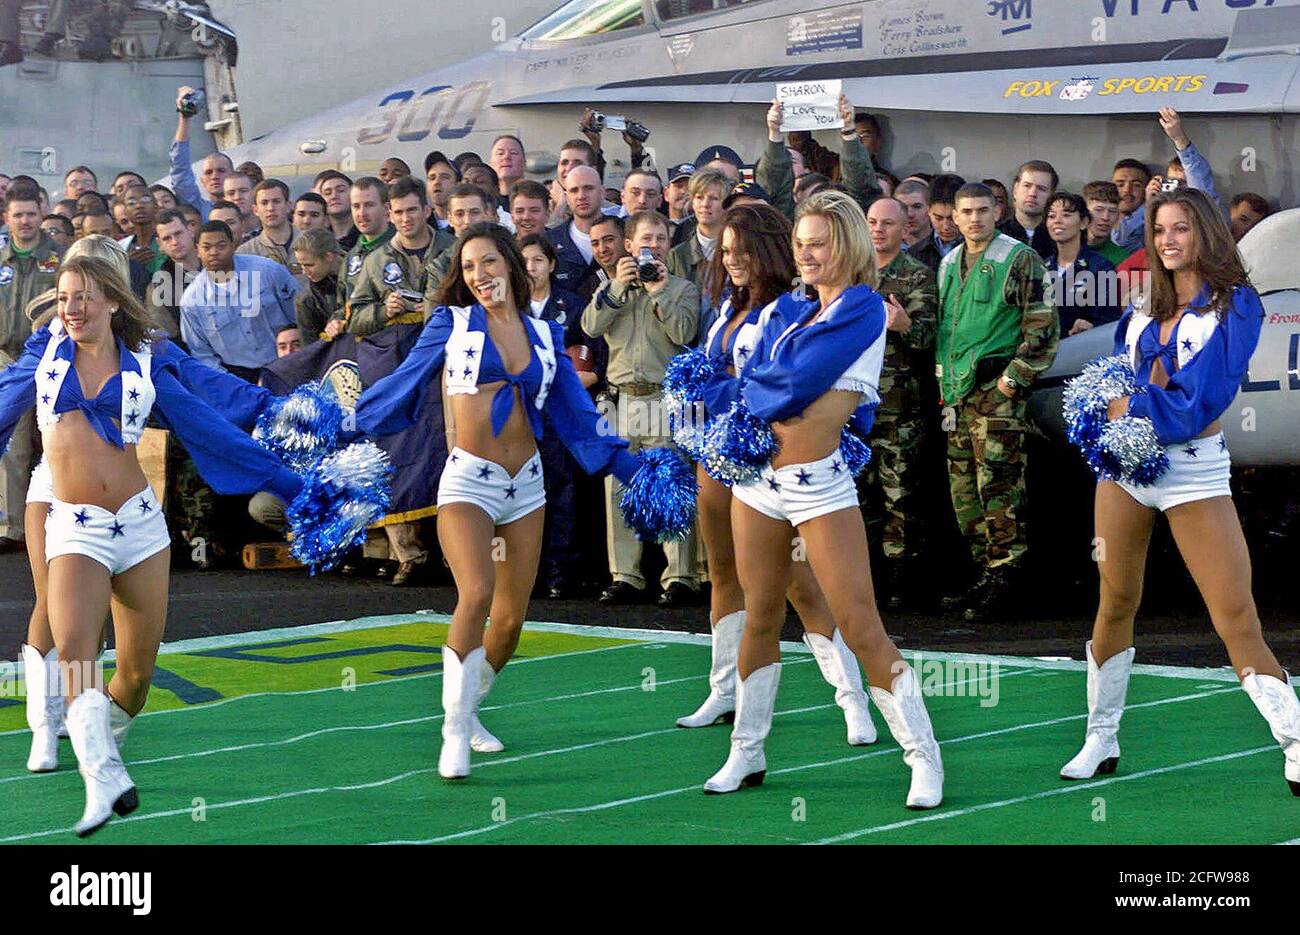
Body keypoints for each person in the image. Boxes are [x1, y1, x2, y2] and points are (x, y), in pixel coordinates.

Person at [0, 253, 358, 835]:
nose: (73, 308)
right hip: (73, 525)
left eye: (85, 296)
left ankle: (105, 744)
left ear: (114, 302)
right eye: (65, 297)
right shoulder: (42, 358)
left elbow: (212, 410)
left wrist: (288, 443)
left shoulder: (148, 357)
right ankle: (100, 776)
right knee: (76, 653)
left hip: (140, 528)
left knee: (136, 682)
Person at [354, 222, 643, 778]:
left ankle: (469, 707)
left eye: (488, 263)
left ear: (510, 264)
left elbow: (577, 419)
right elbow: (405, 382)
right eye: (468, 268)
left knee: (509, 623)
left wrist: (633, 469)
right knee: (477, 592)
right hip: (468, 480)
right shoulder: (453, 322)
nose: (480, 276)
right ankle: (454, 730)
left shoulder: (543, 336)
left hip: (526, 485)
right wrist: (349, 423)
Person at [702, 191, 944, 807]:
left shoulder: (863, 309)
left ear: (848, 247)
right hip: (759, 483)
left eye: (819, 244)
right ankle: (747, 753)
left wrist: (735, 398)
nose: (805, 256)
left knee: (861, 626)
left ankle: (923, 758)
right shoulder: (799, 310)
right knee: (760, 614)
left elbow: (792, 384)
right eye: (800, 244)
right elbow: (758, 375)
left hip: (820, 485)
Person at [1060, 187, 1300, 797]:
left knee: (1235, 617)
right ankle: (1101, 736)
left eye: (1181, 230)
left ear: (1205, 235)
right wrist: (1110, 407)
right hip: (1125, 470)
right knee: (1115, 601)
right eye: (1160, 230)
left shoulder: (1236, 304)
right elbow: (1114, 373)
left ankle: (1295, 741)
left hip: (1191, 472)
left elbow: (1203, 398)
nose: (1167, 241)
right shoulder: (1143, 305)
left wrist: (1127, 404)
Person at [677, 201, 877, 745]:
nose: (732, 260)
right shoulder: (725, 307)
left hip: (773, 456)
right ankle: (724, 691)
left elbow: (790, 382)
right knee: (723, 575)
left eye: (742, 250)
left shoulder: (794, 308)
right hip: (719, 454)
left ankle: (851, 698)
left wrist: (718, 395)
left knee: (802, 587)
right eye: (725, 251)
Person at [936, 183, 1059, 622]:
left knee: (1000, 489)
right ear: (953, 215)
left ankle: (1009, 579)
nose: (974, 219)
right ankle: (986, 574)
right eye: (965, 211)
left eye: (982, 210)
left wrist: (1011, 382)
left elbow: (1042, 326)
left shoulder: (1017, 257)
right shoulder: (949, 262)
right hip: (956, 396)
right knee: (964, 492)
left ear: (996, 211)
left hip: (995, 395)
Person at [582, 210, 701, 607]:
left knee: (671, 482)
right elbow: (590, 327)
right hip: (621, 399)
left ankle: (680, 576)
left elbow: (684, 333)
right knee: (618, 488)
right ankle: (626, 575)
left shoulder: (682, 287)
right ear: (629, 245)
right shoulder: (609, 288)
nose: (655, 246)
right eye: (646, 239)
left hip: (664, 397)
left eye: (662, 239)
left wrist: (659, 292)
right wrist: (618, 285)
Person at [861, 196, 938, 608]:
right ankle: (863, 576)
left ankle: (902, 579)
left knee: (900, 498)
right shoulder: (850, 273)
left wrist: (906, 325)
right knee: (858, 497)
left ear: (904, 227)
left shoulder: (917, 277)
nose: (878, 229)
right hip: (852, 408)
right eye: (872, 222)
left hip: (898, 409)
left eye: (887, 223)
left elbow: (930, 341)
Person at [519, 233, 600, 597]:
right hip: (521, 413)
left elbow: (594, 359)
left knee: (563, 490)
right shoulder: (509, 309)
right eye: (524, 262)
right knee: (525, 491)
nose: (531, 268)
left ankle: (560, 571)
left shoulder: (574, 304)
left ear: (552, 264)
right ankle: (528, 570)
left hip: (562, 412)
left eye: (538, 260)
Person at [0, 185, 64, 553]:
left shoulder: (59, 255)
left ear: (43, 213)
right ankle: (11, 527)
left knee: (54, 440)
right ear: (7, 218)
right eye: (17, 214)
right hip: (5, 358)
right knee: (13, 442)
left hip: (48, 356)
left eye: (31, 213)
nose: (25, 221)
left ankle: (55, 521)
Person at [180, 220, 299, 381]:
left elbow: (298, 315)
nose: (214, 252)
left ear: (233, 245)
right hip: (239, 376)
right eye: (206, 247)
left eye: (221, 246)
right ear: (197, 251)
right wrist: (231, 385)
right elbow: (202, 353)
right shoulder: (192, 301)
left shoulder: (268, 271)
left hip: (287, 363)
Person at [757, 95, 882, 222]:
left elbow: (862, 190)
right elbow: (775, 196)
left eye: (830, 204)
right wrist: (775, 133)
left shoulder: (849, 226)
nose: (819, 209)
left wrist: (849, 130)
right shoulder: (792, 230)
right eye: (808, 203)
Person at [1111, 109, 1219, 253]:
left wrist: (1179, 138)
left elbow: (1199, 178)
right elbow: (1122, 240)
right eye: (1173, 182)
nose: (1178, 189)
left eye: (1183, 183)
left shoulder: (1207, 214)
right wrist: (1148, 206)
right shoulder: (1156, 216)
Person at [1044, 192, 1122, 337]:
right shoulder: (1041, 266)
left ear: (1084, 222)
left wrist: (1090, 327)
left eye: (1066, 215)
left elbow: (1109, 321)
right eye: (1051, 216)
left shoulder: (1100, 267)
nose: (1057, 221)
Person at [169, 86, 233, 220]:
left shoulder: (247, 208)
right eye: (209, 172)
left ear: (233, 176)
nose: (215, 176)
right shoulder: (199, 210)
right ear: (202, 181)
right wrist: (184, 117)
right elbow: (180, 173)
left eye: (221, 170)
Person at [337, 177, 394, 321]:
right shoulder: (351, 257)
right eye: (356, 206)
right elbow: (342, 307)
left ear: (386, 209)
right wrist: (335, 320)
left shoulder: (400, 248)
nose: (362, 214)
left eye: (369, 205)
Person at [667, 168, 728, 299]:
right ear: (692, 202)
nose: (705, 204)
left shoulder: (739, 250)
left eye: (714, 198)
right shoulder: (676, 256)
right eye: (699, 197)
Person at [545, 165, 604, 300]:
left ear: (602, 192)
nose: (581, 196)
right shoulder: (550, 241)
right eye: (574, 190)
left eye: (588, 188)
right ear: (566, 197)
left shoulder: (622, 234)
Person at [238, 179, 304, 286]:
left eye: (276, 201)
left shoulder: (313, 242)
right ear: (255, 210)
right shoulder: (245, 254)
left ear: (289, 206)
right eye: (264, 203)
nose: (270, 208)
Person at [149, 209, 202, 339]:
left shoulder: (217, 260)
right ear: (159, 244)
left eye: (178, 233)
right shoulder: (159, 286)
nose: (175, 242)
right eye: (167, 238)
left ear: (190, 231)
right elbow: (167, 335)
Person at [998, 160, 1058, 259]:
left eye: (1041, 189)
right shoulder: (996, 235)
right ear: (1015, 189)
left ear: (1051, 196)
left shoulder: (1059, 239)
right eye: (1027, 186)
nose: (1033, 193)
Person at [292, 227, 344, 339]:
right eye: (300, 265)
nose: (304, 272)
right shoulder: (306, 300)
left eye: (309, 265)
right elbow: (310, 347)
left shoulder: (360, 277)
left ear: (329, 256)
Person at [1082, 181, 1132, 266]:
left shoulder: (1123, 259)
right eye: (1099, 210)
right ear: (1084, 213)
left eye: (1112, 211)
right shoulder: (1061, 248)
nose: (1105, 217)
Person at [895, 179, 940, 270]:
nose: (910, 214)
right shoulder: (886, 246)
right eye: (903, 207)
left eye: (917, 207)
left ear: (930, 208)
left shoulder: (943, 247)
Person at [314, 170, 357, 250]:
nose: (334, 196)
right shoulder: (318, 240)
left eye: (341, 191)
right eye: (327, 193)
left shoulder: (367, 233)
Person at [424, 151, 459, 227]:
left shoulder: (467, 223)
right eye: (432, 178)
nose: (436, 182)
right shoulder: (421, 224)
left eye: (444, 177)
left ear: (458, 184)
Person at [222, 173, 259, 241]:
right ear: (224, 199)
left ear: (255, 194)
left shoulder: (272, 230)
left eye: (243, 191)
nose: (237, 197)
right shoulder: (221, 238)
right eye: (231, 193)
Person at [489, 135, 527, 201]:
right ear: (491, 163)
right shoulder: (484, 202)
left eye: (513, 153)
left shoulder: (538, 198)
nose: (506, 157)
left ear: (524, 163)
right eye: (500, 153)